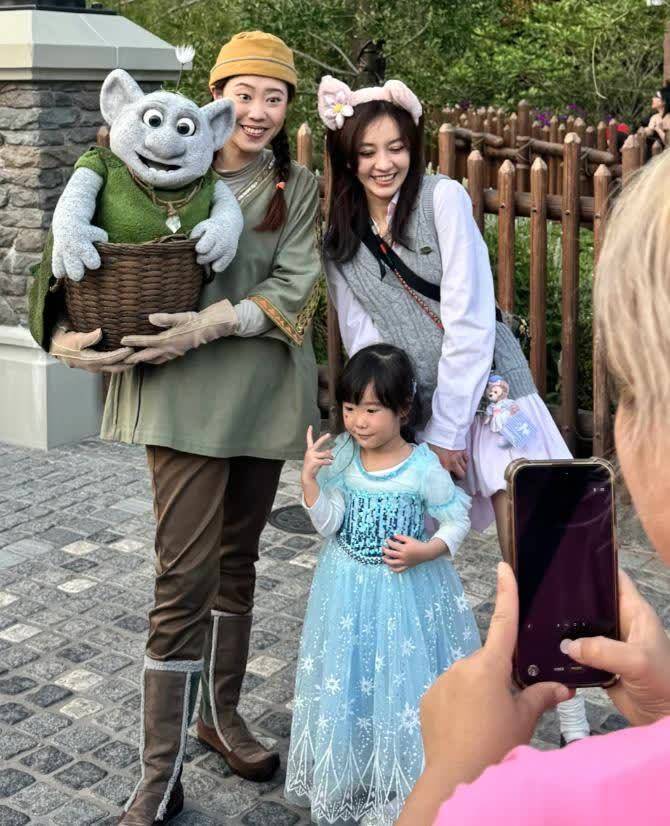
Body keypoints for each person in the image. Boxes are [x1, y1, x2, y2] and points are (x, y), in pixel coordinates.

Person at [29, 31, 321, 825]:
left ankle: (219, 717)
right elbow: (62, 259)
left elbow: (298, 284)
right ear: (216, 97)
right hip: (182, 403)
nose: (258, 111)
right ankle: (160, 772)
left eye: (274, 97)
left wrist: (210, 323)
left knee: (238, 564)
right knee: (181, 577)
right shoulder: (147, 161)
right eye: (245, 93)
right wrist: (59, 335)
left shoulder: (296, 186)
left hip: (261, 395)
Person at [397, 147, 670, 826]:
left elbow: (470, 323)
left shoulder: (536, 802)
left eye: (630, 392)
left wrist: (448, 779)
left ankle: (568, 714)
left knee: (535, 564)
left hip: (486, 411)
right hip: (448, 417)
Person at [318, 75, 590, 748]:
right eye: (367, 152)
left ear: (413, 145)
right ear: (348, 159)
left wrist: (446, 432)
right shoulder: (342, 240)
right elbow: (367, 343)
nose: (384, 163)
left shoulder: (441, 200)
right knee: (404, 556)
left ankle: (573, 721)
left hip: (491, 396)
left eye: (396, 147)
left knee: (534, 548)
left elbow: (469, 319)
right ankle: (411, 712)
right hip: (417, 412)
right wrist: (397, 430)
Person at [284, 344, 479, 825]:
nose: (358, 421)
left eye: (371, 410)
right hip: (346, 588)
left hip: (404, 593)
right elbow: (330, 523)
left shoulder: (421, 467)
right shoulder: (343, 456)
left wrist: (426, 550)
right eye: (350, 408)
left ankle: (406, 778)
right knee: (352, 674)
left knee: (399, 678)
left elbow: (456, 519)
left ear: (403, 410)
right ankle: (355, 763)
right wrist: (310, 482)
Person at [642, 85, 670, 151]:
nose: (653, 98)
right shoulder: (654, 117)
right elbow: (650, 130)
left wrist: (658, 129)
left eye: (656, 96)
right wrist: (644, 131)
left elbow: (668, 142)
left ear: (664, 101)